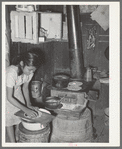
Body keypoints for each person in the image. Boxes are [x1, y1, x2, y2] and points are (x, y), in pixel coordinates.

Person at [6, 50, 42, 142]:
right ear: (22, 63)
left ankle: (18, 137)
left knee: (19, 115)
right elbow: (9, 97)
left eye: (33, 70)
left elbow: (25, 88)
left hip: (16, 90)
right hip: (5, 93)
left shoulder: (29, 73)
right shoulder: (11, 72)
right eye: (30, 69)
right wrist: (26, 109)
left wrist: (28, 105)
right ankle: (12, 142)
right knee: (8, 118)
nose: (31, 72)